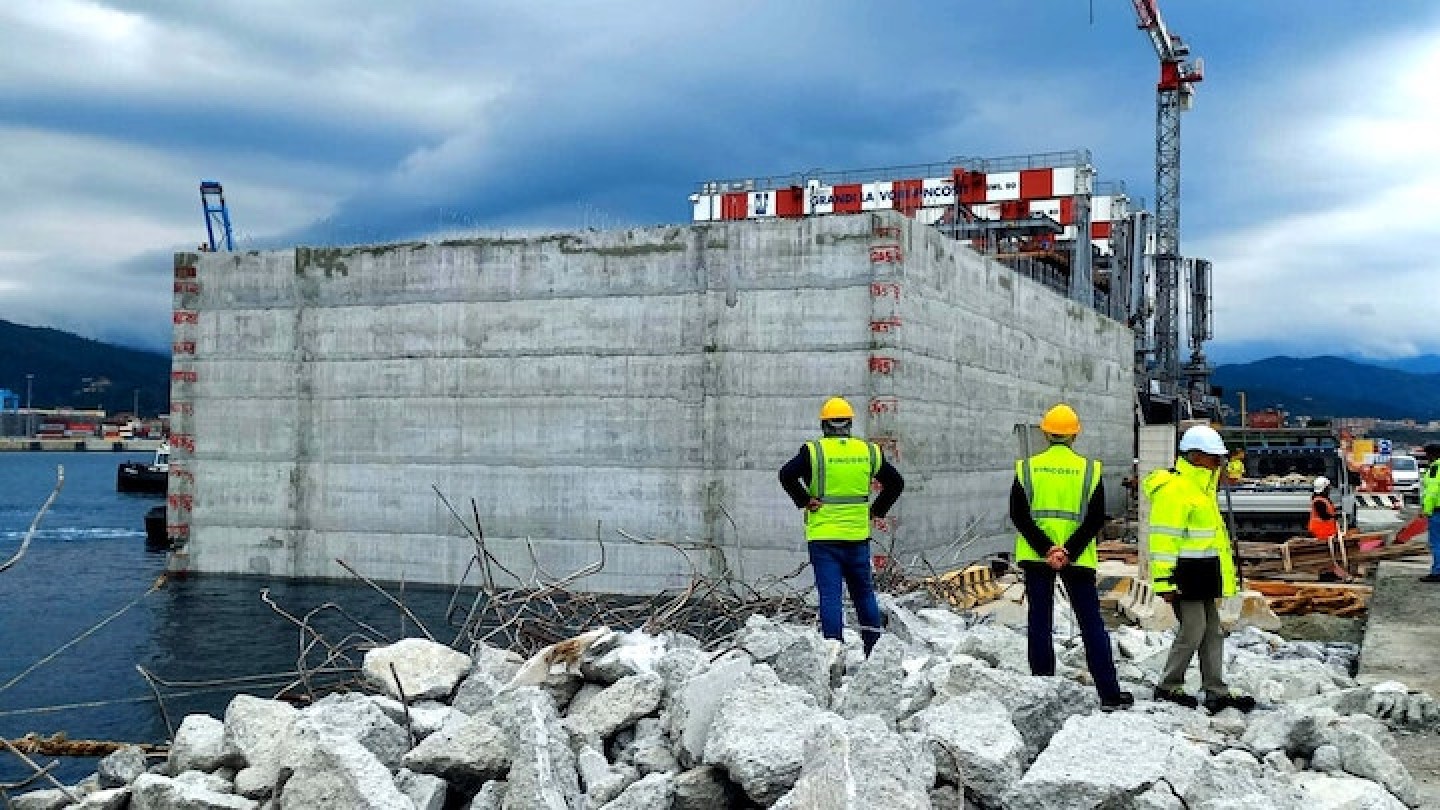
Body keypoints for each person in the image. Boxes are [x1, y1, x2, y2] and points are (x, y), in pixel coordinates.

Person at [1010, 404, 1133, 710]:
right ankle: (1109, 694)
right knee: (1090, 622)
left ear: (1045, 433)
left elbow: (1018, 515)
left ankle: (1043, 688)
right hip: (1077, 558)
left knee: (1040, 621)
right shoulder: (1089, 470)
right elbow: (1094, 519)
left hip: (1038, 557)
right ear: (1075, 434)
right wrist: (1068, 550)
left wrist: (1047, 549)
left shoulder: (1026, 468)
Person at [1142, 424, 1257, 713]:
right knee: (1194, 628)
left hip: (1203, 574)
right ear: (1194, 456)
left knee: (1212, 630)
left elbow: (1211, 540)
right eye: (1213, 457)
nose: (1219, 463)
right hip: (1185, 576)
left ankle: (1215, 689)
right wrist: (1165, 583)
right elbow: (1164, 540)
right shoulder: (1175, 489)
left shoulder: (1201, 488)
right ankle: (1168, 685)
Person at [779, 396, 904, 655]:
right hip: (857, 536)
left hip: (824, 537)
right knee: (864, 595)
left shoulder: (814, 452)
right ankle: (874, 652)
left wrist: (804, 500)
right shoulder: (868, 451)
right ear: (849, 423)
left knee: (830, 596)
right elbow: (896, 483)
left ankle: (834, 653)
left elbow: (786, 474)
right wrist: (877, 510)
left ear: (824, 425)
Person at [1422, 443, 1440, 583]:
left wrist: (1427, 510)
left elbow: (1432, 492)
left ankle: (1437, 572)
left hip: (1438, 511)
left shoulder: (1435, 468)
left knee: (1436, 542)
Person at [1308, 476, 1339, 541]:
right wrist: (1334, 516)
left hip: (1325, 531)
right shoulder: (1319, 501)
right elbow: (1324, 515)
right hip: (1321, 531)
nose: (1329, 489)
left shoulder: (1322, 499)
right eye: (1328, 488)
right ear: (1324, 488)